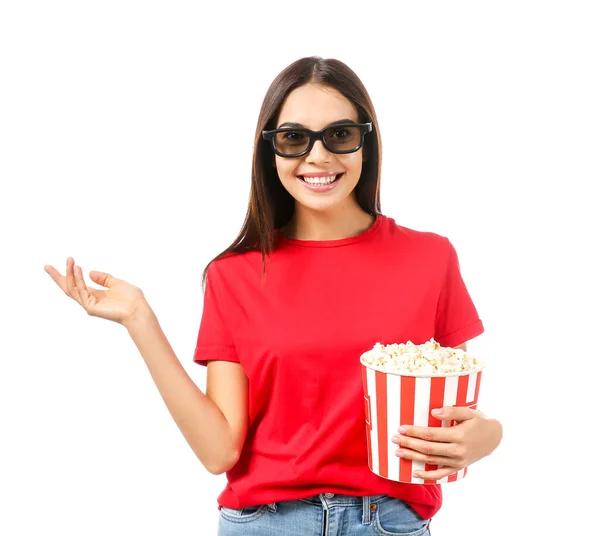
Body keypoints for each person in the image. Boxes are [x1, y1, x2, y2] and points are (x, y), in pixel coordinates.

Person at [45, 56, 503, 536]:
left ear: (367, 141)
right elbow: (219, 450)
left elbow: (453, 413)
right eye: (294, 139)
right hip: (265, 525)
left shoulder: (430, 258)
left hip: (389, 522)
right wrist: (140, 319)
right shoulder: (233, 275)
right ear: (271, 151)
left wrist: (489, 436)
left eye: (340, 135)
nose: (318, 157)